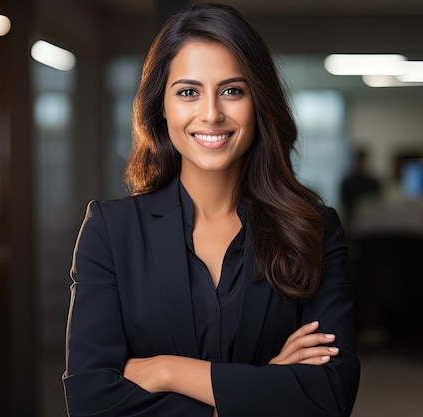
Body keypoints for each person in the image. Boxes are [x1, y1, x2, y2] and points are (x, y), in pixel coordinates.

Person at [62, 3, 360, 417]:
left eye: (232, 90)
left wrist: (168, 371)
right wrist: (264, 386)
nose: (211, 114)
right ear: (160, 107)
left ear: (259, 102)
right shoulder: (111, 232)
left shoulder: (314, 230)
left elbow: (329, 395)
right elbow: (91, 402)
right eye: (188, 92)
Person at [340, 147, 381, 225]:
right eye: (360, 161)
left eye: (364, 161)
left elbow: (379, 203)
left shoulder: (374, 182)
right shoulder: (348, 182)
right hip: (353, 222)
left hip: (372, 221)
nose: (362, 164)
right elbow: (345, 205)